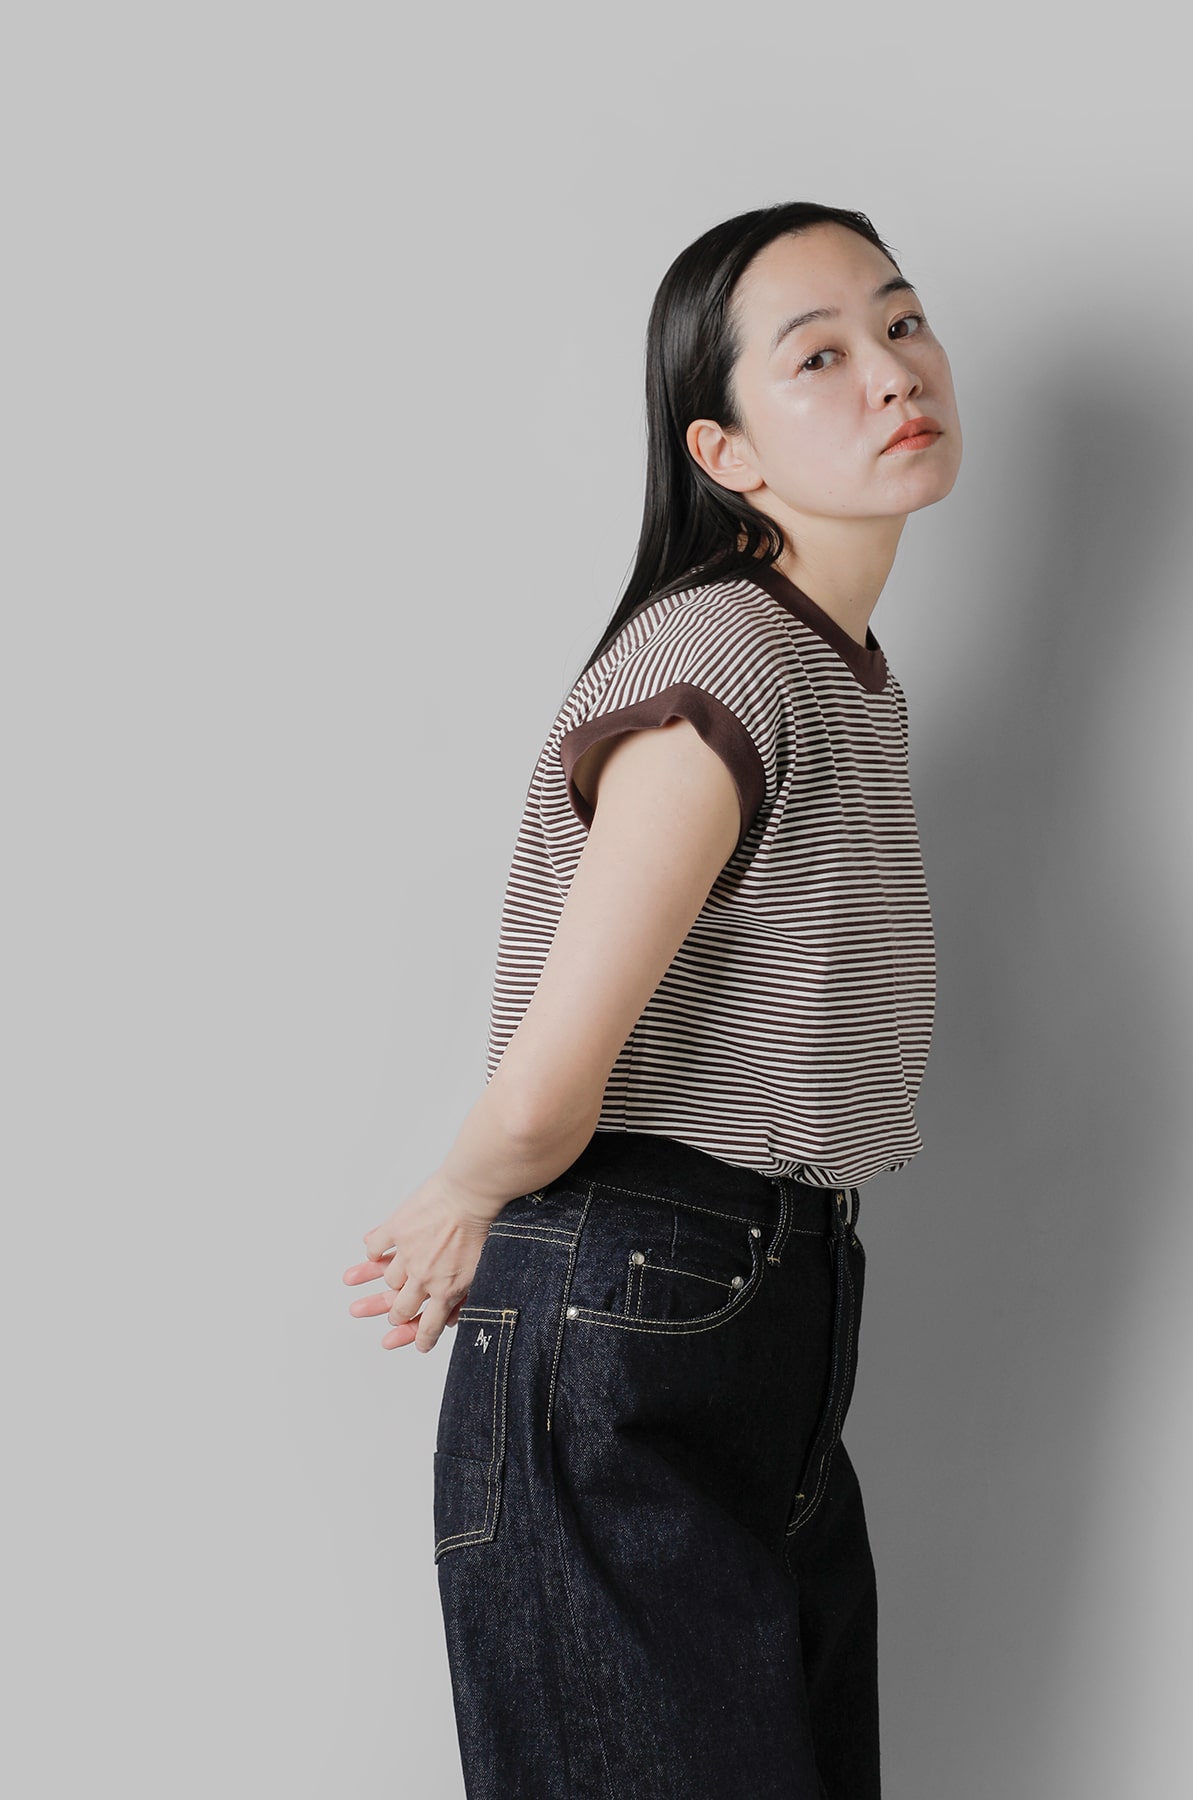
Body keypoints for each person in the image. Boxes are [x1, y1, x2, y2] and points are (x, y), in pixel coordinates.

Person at [343, 199, 963, 1799]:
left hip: (758, 1306)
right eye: (818, 356)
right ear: (724, 450)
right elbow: (558, 1072)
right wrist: (463, 1191)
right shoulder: (719, 664)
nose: (893, 371)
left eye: (902, 322)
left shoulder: (834, 669)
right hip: (640, 1288)